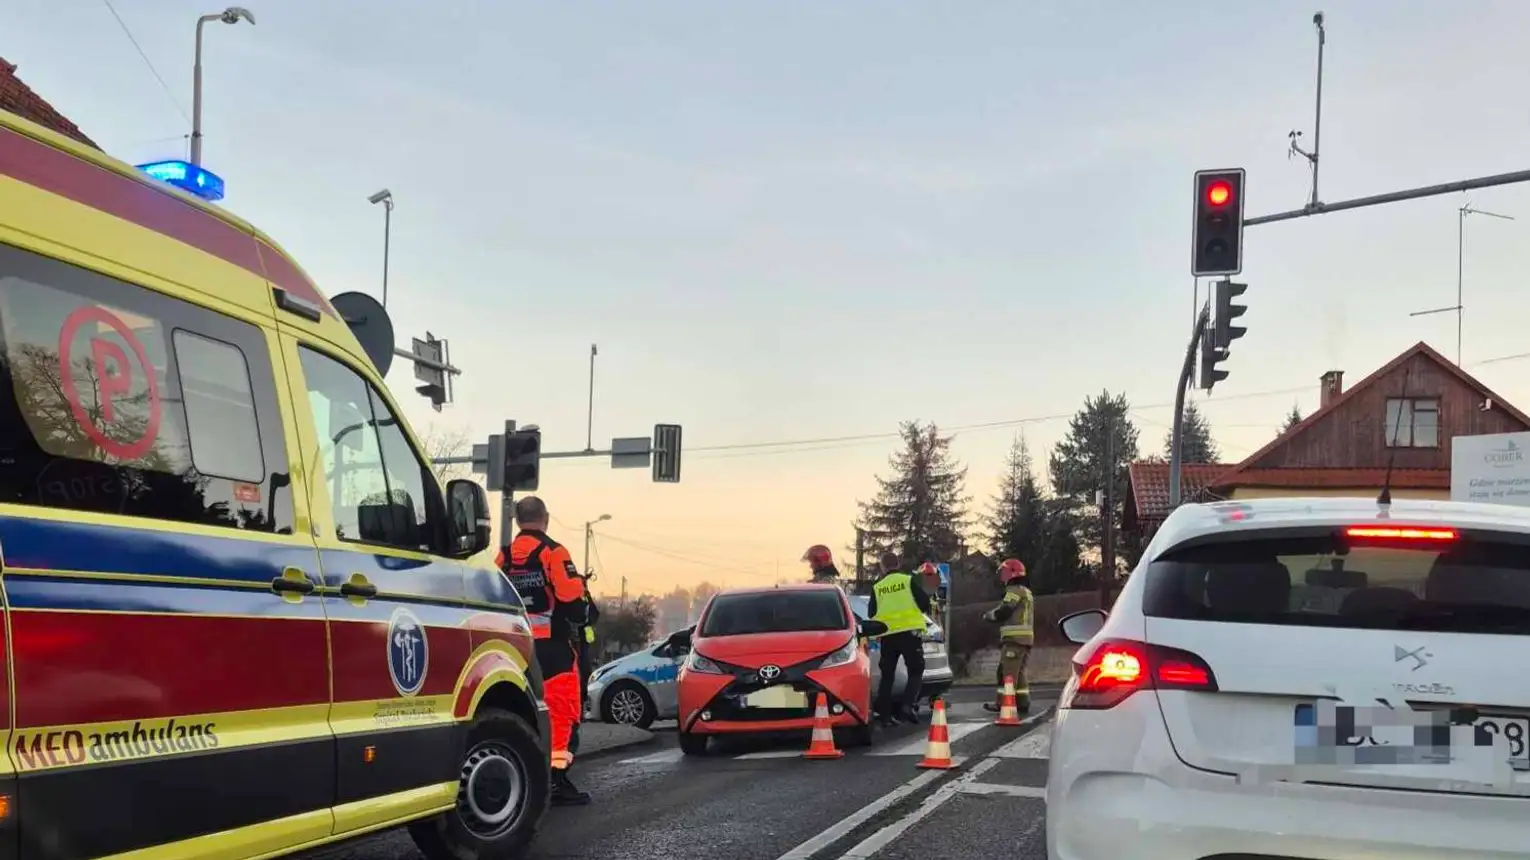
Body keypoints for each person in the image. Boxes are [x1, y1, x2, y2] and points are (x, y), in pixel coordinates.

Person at [495, 496, 591, 806]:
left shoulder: (503, 557)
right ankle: (555, 780)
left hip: (513, 647)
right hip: (552, 649)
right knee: (563, 715)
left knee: (521, 713)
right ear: (545, 518)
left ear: (518, 521)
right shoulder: (554, 552)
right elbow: (574, 605)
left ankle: (521, 779)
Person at [867, 552, 932, 726]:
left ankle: (886, 716)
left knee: (887, 675)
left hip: (888, 634)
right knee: (916, 670)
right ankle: (907, 705)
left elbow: (871, 613)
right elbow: (924, 603)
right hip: (910, 633)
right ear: (897, 564)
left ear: (883, 566)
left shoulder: (878, 586)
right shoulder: (908, 580)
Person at [982, 558, 1034, 714]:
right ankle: (1022, 702)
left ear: (1012, 573)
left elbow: (1005, 610)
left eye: (1004, 572)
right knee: (1019, 672)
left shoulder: (1013, 590)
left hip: (1014, 640)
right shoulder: (1026, 591)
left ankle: (1004, 704)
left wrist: (989, 616)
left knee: (1007, 673)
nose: (1001, 576)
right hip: (1025, 640)